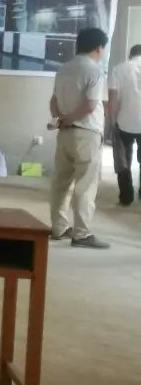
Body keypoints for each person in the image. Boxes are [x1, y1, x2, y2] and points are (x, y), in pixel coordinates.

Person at [49, 27, 110, 250]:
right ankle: (82, 234)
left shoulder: (63, 69)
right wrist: (70, 118)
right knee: (85, 185)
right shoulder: (94, 71)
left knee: (61, 182)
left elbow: (53, 101)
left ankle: (59, 228)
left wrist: (61, 119)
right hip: (87, 134)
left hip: (65, 134)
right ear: (99, 48)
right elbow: (90, 105)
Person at [109, 44, 141, 206]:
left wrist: (112, 120)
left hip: (124, 121)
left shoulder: (119, 69)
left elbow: (113, 97)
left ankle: (126, 197)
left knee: (123, 160)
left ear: (130, 55)